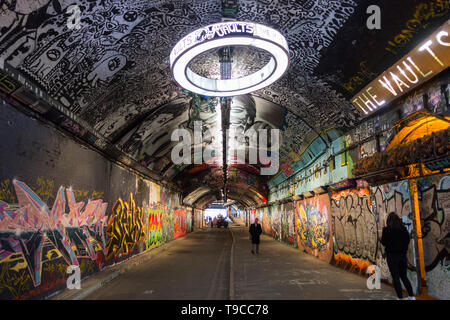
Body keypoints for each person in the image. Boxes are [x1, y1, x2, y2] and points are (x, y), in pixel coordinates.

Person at [380, 213, 416, 300]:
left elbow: (383, 242)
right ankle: (411, 296)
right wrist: (403, 249)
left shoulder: (387, 230)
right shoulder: (403, 229)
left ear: (389, 221)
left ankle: (400, 297)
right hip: (402, 256)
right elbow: (407, 240)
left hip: (391, 256)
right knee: (404, 276)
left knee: (395, 277)